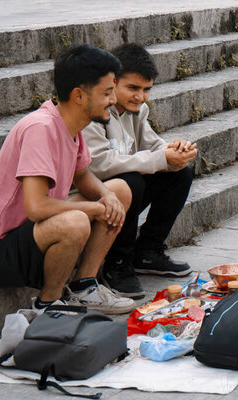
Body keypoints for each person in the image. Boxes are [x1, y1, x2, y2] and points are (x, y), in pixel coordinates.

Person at [0, 44, 136, 314]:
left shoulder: (72, 126)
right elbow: (37, 207)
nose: (113, 100)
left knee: (119, 191)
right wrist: (94, 208)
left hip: (33, 235)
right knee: (76, 220)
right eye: (107, 92)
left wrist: (107, 197)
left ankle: (84, 287)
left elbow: (82, 174)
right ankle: (49, 304)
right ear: (79, 95)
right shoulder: (40, 128)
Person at [82, 43, 196, 299]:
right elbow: (98, 164)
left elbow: (152, 144)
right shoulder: (94, 112)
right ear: (112, 83)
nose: (140, 96)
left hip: (122, 194)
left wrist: (175, 151)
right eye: (133, 88)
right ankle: (117, 262)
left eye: (146, 90)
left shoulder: (137, 110)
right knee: (131, 181)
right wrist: (159, 158)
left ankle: (147, 252)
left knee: (179, 174)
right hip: (93, 196)